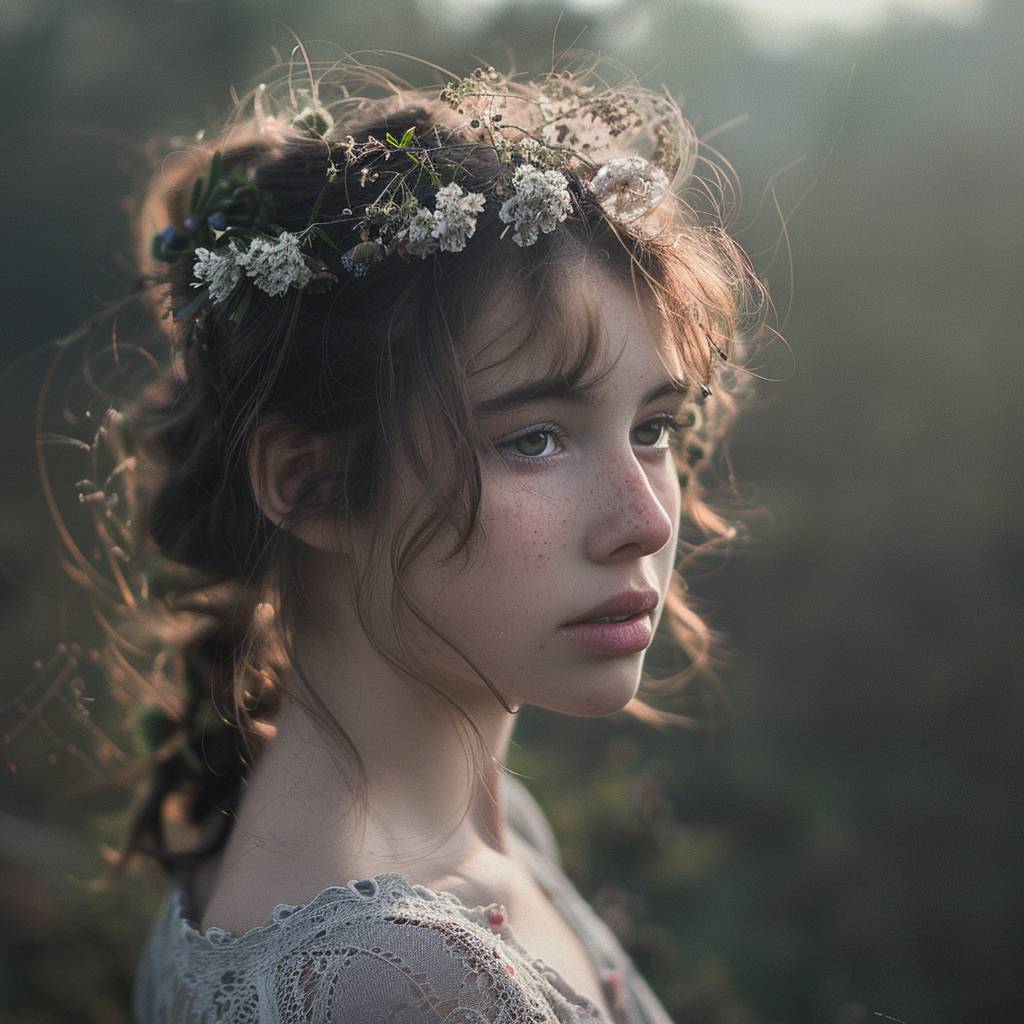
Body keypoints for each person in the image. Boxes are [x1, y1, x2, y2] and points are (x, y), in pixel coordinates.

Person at [40, 47, 764, 1024]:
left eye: (654, 429)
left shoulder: (467, 842)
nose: (644, 520)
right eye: (535, 439)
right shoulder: (410, 984)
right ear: (313, 484)